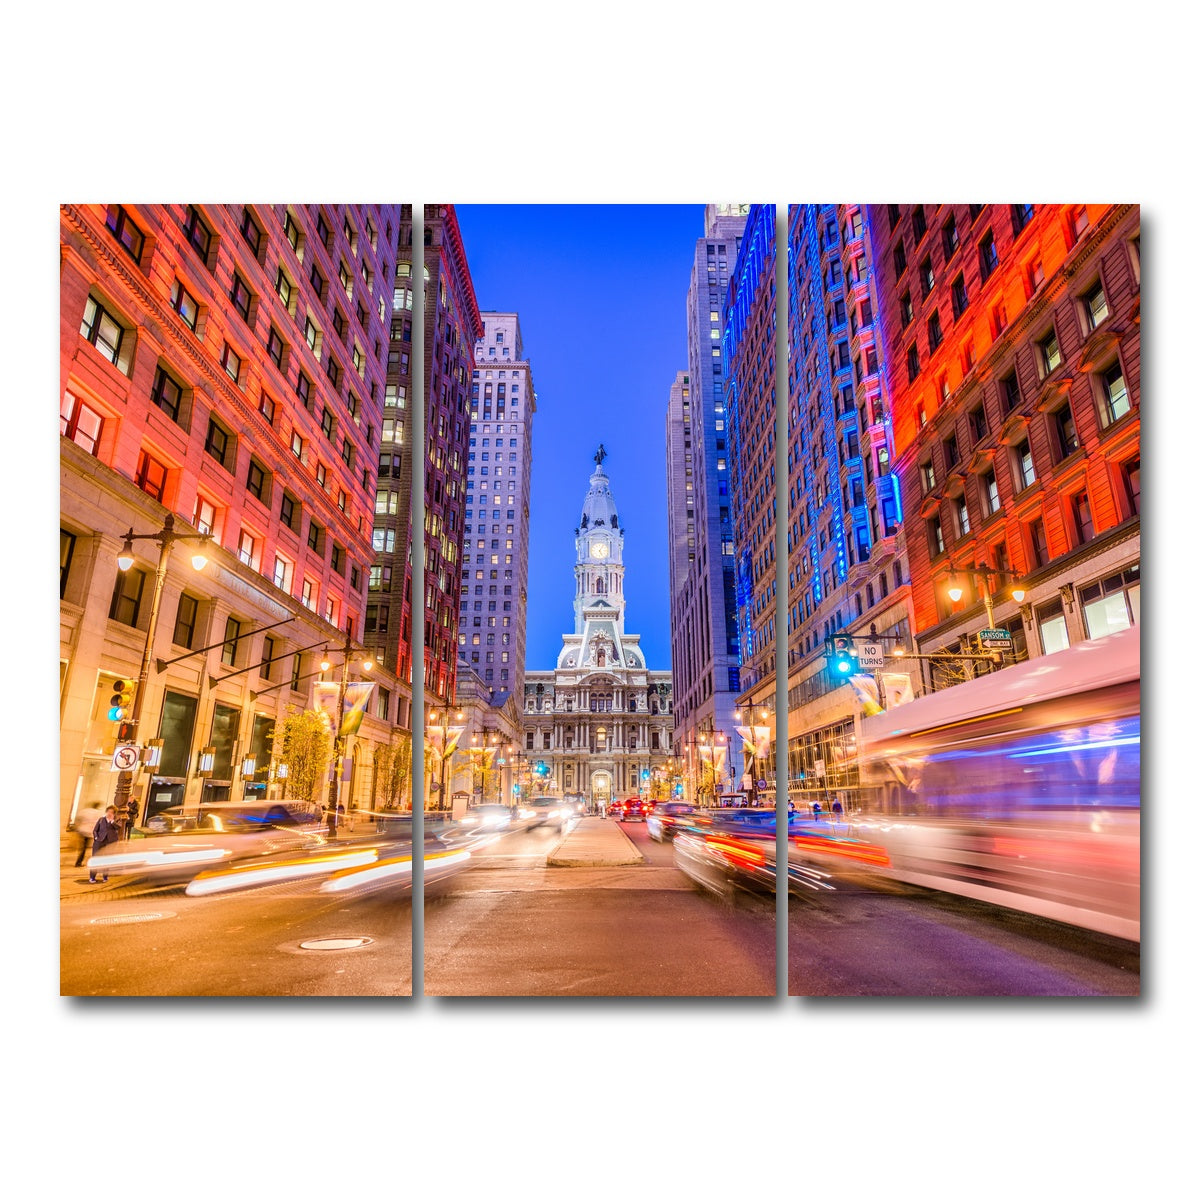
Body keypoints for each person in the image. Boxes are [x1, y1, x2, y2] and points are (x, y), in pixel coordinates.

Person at [88, 805, 121, 882]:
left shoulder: (117, 820)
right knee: (95, 859)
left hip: (110, 842)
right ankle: (92, 877)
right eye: (108, 811)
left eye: (111, 812)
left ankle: (105, 876)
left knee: (107, 859)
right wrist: (96, 838)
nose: (109, 813)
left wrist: (112, 821)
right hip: (99, 842)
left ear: (114, 814)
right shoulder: (101, 819)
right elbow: (95, 830)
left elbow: (118, 827)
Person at [71, 802, 103, 867]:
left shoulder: (84, 811)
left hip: (81, 830)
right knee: (89, 847)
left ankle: (79, 862)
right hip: (88, 832)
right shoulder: (98, 813)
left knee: (82, 848)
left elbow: (78, 819)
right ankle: (80, 862)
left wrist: (76, 827)